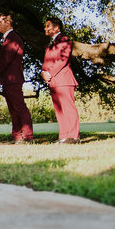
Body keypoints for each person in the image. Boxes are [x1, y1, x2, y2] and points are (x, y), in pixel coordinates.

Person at [0, 12, 34, 143]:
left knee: (19, 107)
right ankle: (17, 136)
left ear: (8, 22)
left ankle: (28, 136)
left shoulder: (13, 38)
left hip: (13, 79)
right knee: (13, 109)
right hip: (7, 79)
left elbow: (7, 59)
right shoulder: (6, 38)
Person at [42, 16, 80, 144]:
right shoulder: (49, 44)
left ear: (56, 27)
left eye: (48, 26)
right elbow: (46, 61)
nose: (45, 28)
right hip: (53, 81)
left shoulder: (64, 40)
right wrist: (43, 73)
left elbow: (62, 60)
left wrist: (50, 72)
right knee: (59, 110)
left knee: (68, 108)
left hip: (64, 79)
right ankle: (63, 136)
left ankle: (74, 136)